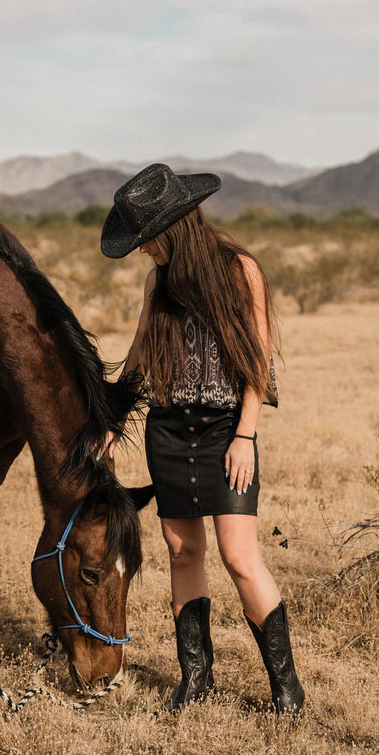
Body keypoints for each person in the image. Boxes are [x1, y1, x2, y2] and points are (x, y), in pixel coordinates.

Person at [100, 163, 304, 716]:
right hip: (169, 430)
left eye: (147, 240)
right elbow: (142, 351)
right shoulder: (157, 282)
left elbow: (257, 363)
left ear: (173, 230)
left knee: (240, 557)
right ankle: (197, 678)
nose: (143, 251)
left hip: (224, 432)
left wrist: (245, 435)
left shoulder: (240, 271)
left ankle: (287, 690)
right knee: (181, 549)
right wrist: (116, 419)